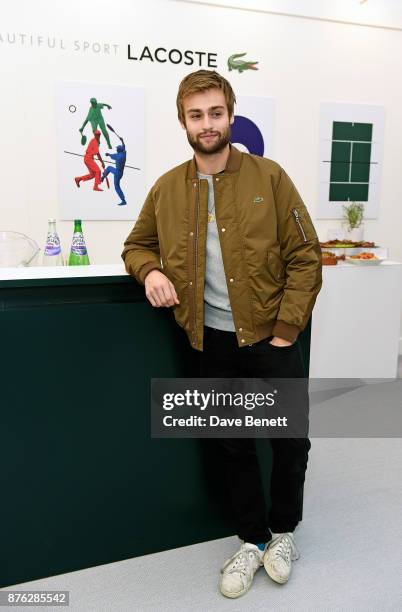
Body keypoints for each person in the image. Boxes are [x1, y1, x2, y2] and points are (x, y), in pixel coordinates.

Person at [121, 70, 322, 599]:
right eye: (196, 115)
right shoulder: (166, 188)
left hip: (273, 338)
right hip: (212, 340)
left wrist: (286, 330)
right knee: (231, 444)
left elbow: (306, 255)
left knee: (289, 442)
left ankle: (284, 534)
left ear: (231, 115)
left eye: (215, 113)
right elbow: (136, 245)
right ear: (183, 122)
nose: (206, 124)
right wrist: (151, 272)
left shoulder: (270, 177)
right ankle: (251, 540)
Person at [101, 136, 127, 205]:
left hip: (117, 173)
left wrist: (108, 154)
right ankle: (123, 200)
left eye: (117, 149)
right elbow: (124, 147)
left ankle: (103, 177)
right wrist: (122, 141)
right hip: (120, 173)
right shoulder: (124, 154)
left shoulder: (117, 156)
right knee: (117, 186)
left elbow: (111, 155)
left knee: (109, 168)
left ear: (118, 150)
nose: (116, 150)